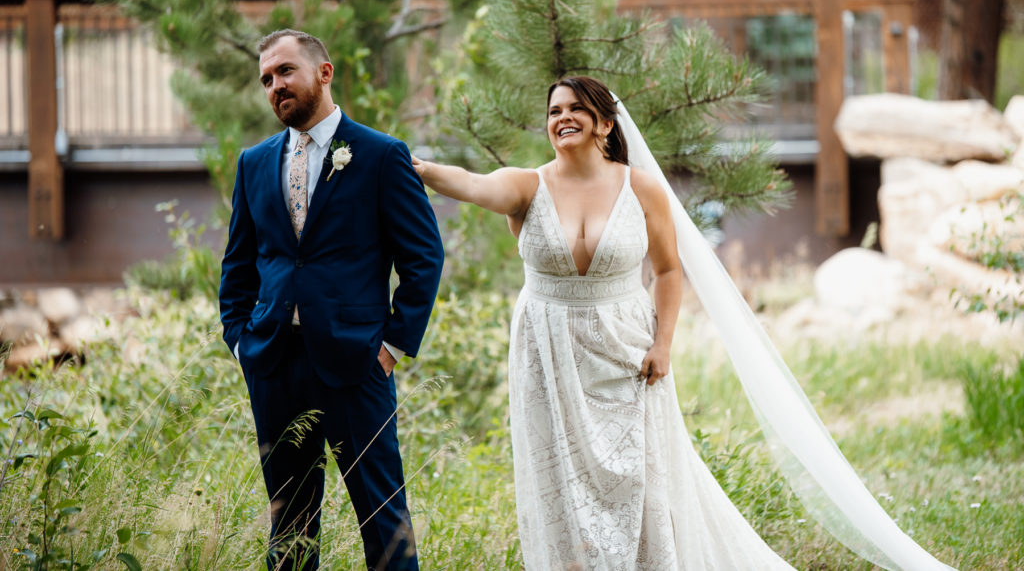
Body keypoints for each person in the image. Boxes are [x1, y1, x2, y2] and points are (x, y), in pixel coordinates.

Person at [413, 76, 955, 570]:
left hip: (625, 349)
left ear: (605, 123)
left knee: (640, 479)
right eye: (554, 110)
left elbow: (669, 270)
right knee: (560, 482)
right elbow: (467, 182)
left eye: (577, 108)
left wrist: (663, 343)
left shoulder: (641, 190)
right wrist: (411, 166)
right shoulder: (525, 186)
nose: (563, 118)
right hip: (547, 352)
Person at [219, 29, 444, 571]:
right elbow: (239, 264)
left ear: (324, 72)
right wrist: (241, 344)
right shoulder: (253, 163)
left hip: (356, 363)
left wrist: (390, 347)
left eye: (286, 71)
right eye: (267, 79)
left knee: (384, 519)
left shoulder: (380, 155)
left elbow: (424, 258)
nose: (276, 85)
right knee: (289, 525)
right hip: (273, 365)